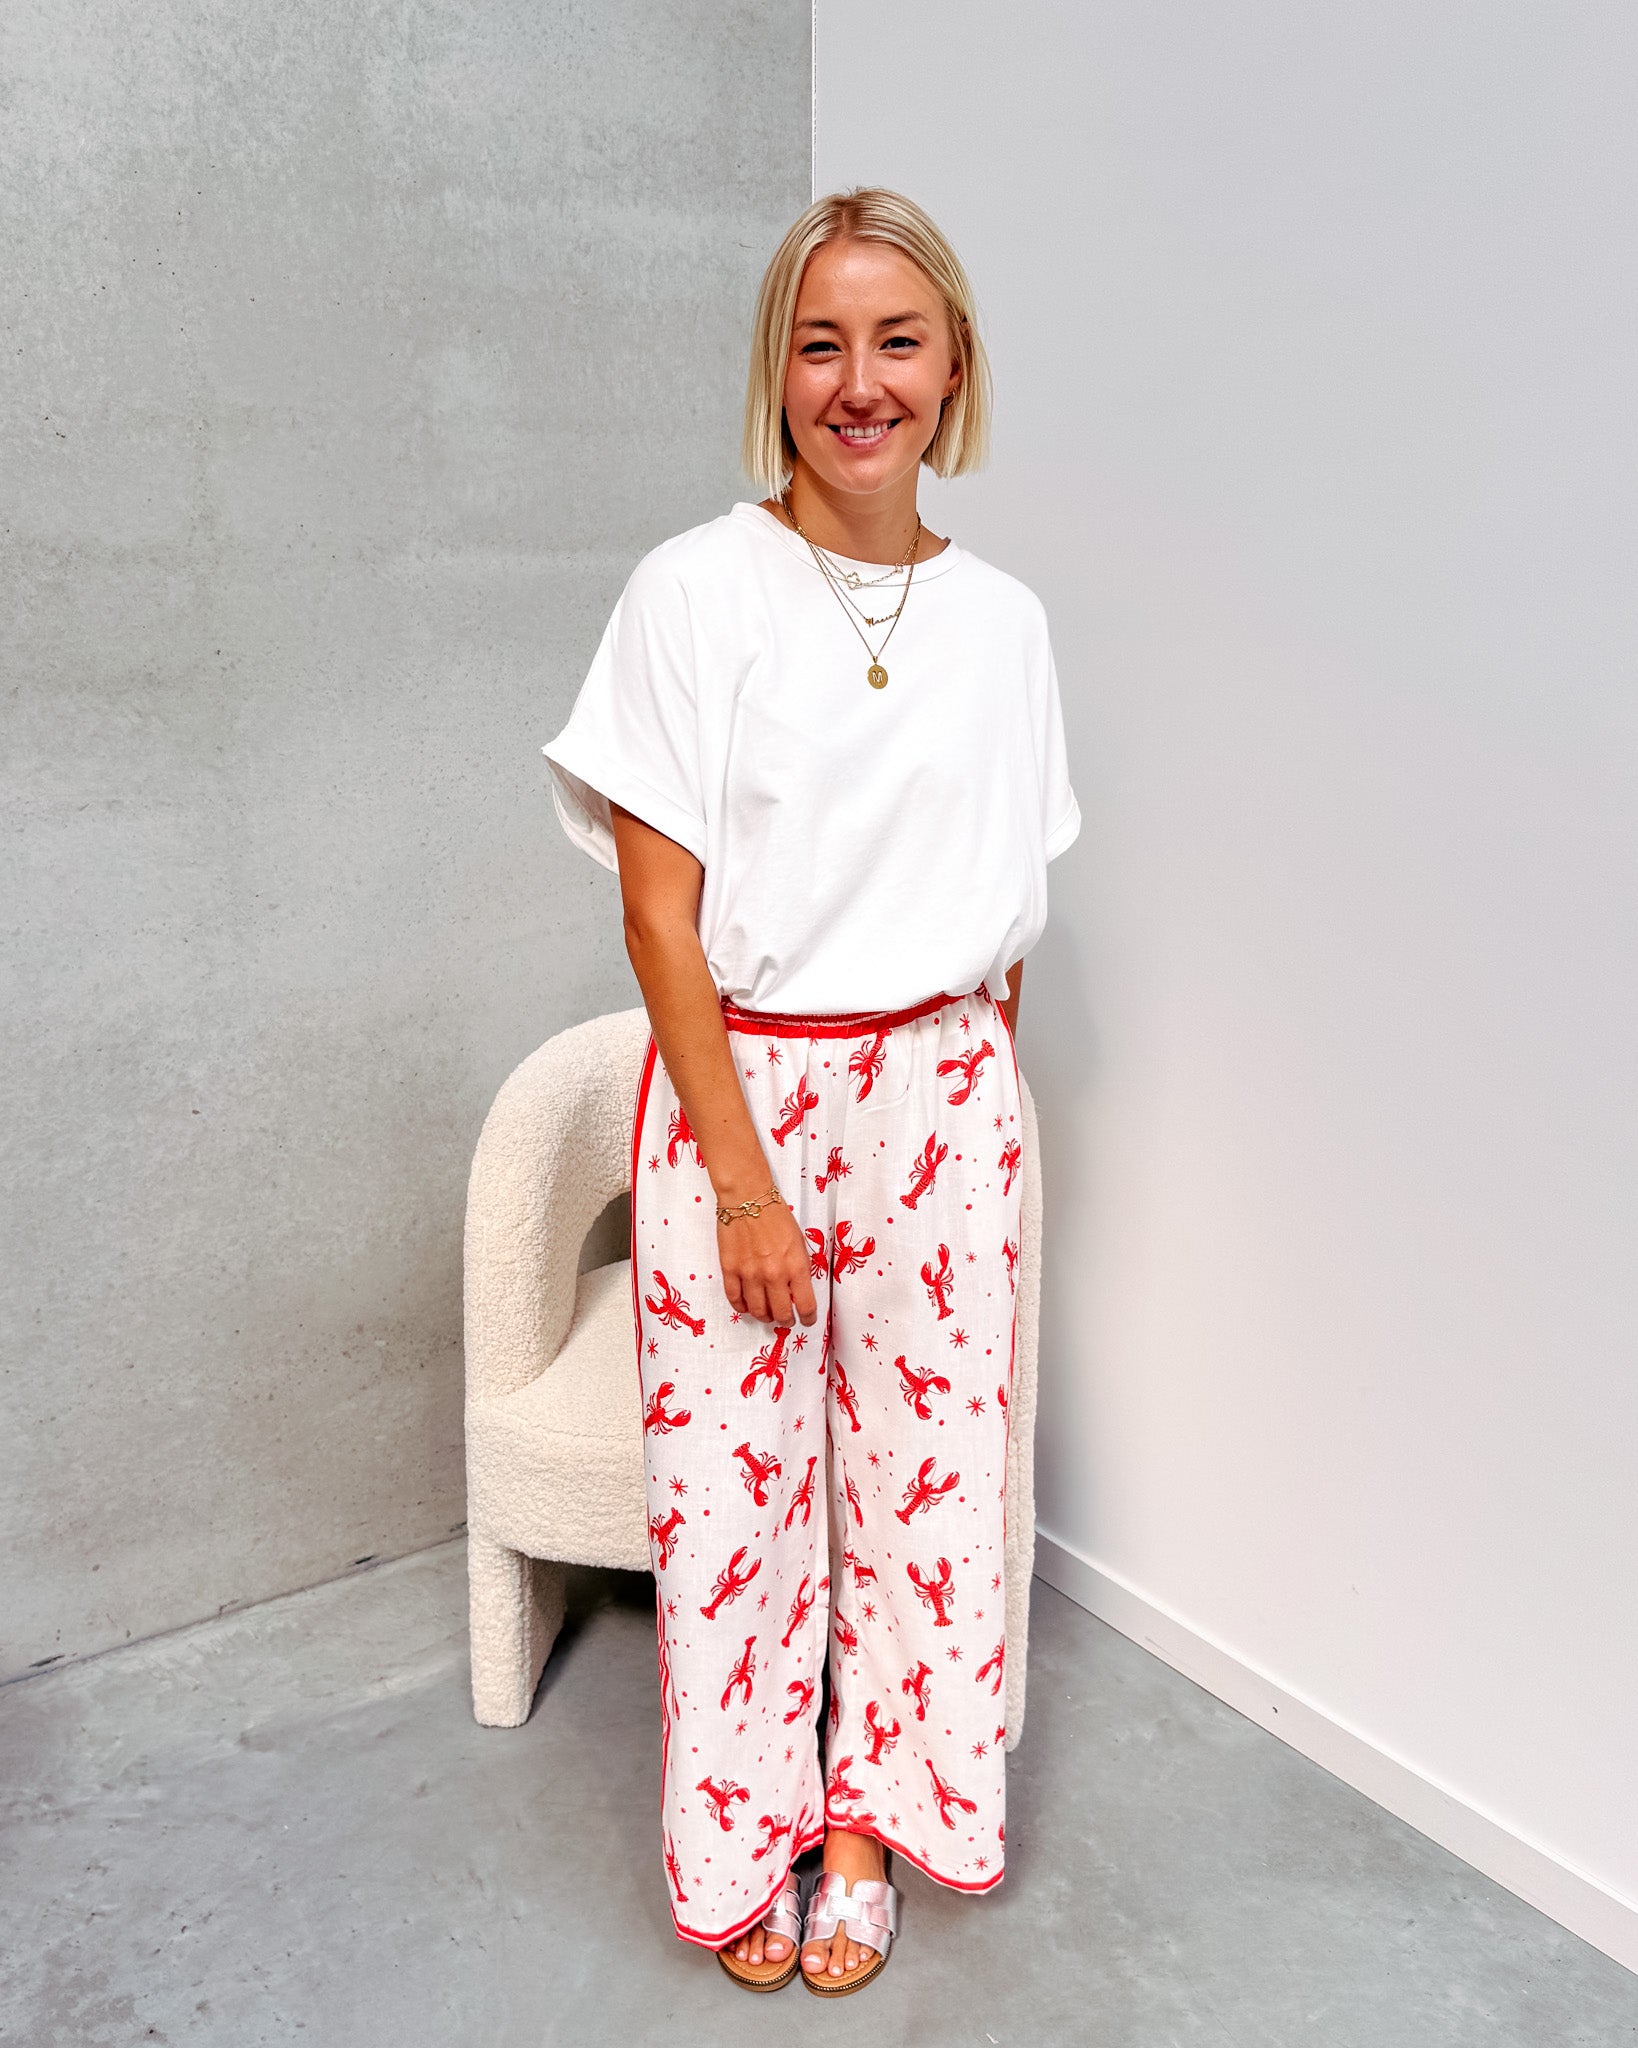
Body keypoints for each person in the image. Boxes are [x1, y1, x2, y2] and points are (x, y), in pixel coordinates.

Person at [541, 187, 1079, 1998]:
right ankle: (745, 1834)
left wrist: (962, 1109)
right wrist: (747, 1183)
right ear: (776, 370)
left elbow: (1004, 911)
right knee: (733, 1496)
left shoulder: (1004, 624)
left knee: (928, 1492)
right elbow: (656, 915)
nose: (860, 382)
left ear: (953, 368)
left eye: (896, 341)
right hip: (745, 1097)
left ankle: (866, 1830)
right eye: (819, 342)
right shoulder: (692, 591)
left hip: (942, 1091)